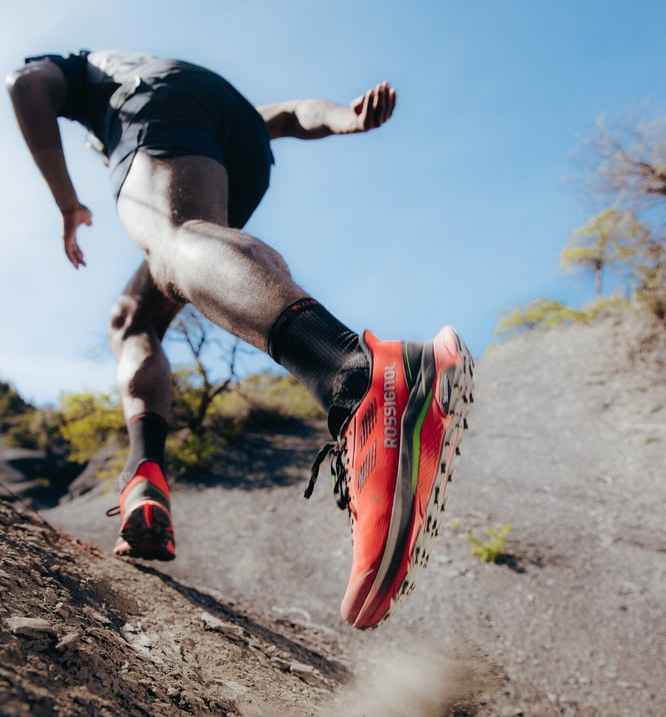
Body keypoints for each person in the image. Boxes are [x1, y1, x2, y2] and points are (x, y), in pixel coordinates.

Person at [6, 50, 474, 630]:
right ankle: (144, 473)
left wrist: (67, 203)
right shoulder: (174, 86)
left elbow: (25, 85)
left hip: (168, 111)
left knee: (176, 238)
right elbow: (290, 114)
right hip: (238, 144)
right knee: (134, 317)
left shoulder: (85, 76)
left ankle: (355, 378)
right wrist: (344, 118)